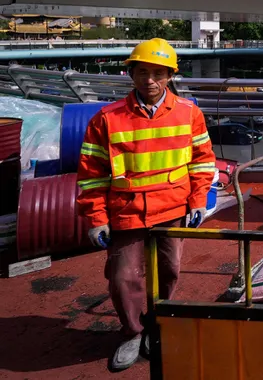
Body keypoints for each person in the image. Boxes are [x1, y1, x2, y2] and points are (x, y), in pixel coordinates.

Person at [76, 38, 217, 371]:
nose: (149, 80)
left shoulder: (189, 112)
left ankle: (158, 324)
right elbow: (92, 175)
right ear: (131, 73)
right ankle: (133, 332)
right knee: (124, 277)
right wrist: (97, 218)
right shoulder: (107, 119)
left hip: (172, 209)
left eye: (158, 73)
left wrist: (198, 200)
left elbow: (201, 161)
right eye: (142, 72)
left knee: (169, 271)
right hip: (126, 213)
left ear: (170, 76)